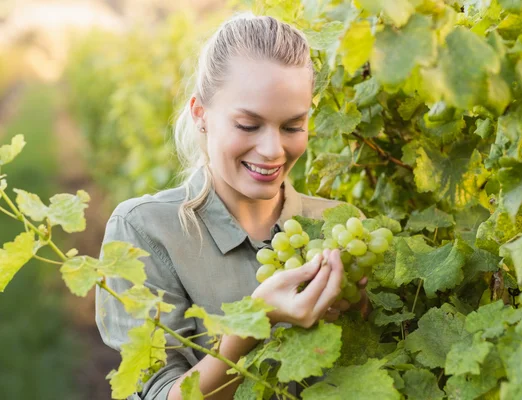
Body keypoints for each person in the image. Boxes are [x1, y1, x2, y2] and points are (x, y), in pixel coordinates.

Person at [95, 12, 366, 400]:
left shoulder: (338, 225)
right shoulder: (143, 231)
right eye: (248, 125)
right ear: (200, 114)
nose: (273, 150)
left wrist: (363, 308)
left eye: (292, 126)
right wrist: (254, 322)